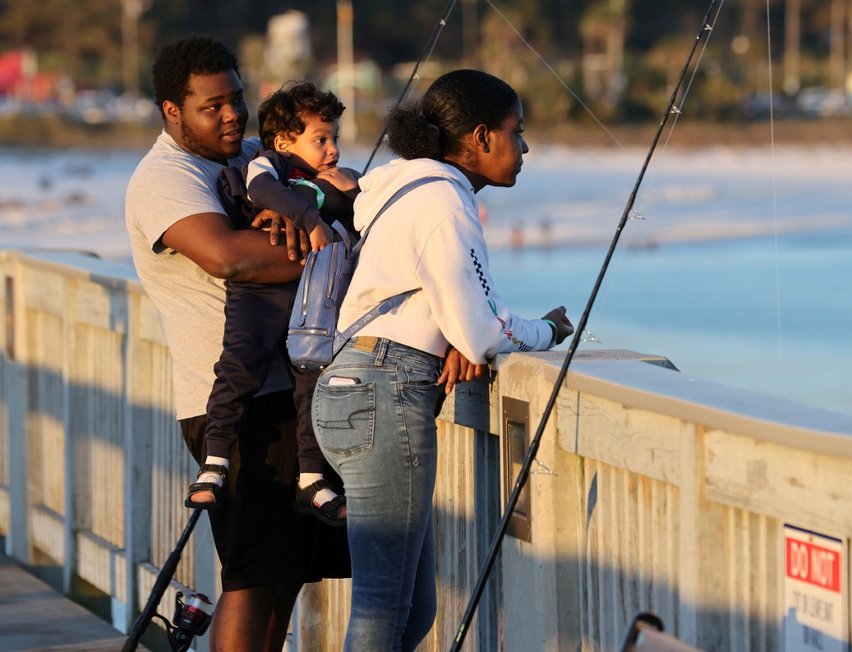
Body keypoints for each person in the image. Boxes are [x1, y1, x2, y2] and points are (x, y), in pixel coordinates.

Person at [312, 69, 575, 651]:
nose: (525, 146)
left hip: (355, 388)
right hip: (385, 394)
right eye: (517, 131)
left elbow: (455, 302)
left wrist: (454, 330)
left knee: (412, 612)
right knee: (383, 608)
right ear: (481, 137)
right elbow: (482, 329)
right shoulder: (444, 204)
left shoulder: (406, 188)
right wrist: (548, 330)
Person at [124, 36, 350, 650]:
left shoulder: (255, 155)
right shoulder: (164, 179)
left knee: (289, 578)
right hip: (231, 404)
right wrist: (324, 239)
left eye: (238, 99)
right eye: (212, 105)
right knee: (252, 578)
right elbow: (231, 259)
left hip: (295, 394)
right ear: (173, 110)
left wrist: (317, 208)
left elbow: (338, 185)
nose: (231, 115)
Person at [186, 80, 359, 529]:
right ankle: (216, 459)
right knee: (238, 368)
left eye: (335, 139)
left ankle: (311, 478)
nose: (332, 149)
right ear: (285, 141)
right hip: (259, 298)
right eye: (321, 139)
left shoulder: (330, 180)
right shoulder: (271, 165)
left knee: (312, 384)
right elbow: (262, 190)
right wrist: (309, 219)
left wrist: (354, 190)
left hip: (311, 305)